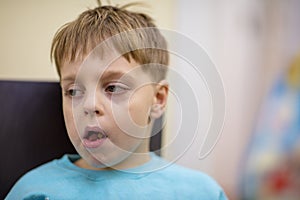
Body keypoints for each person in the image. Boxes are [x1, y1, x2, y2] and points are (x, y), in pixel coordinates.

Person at [6, 2, 227, 199]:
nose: (90, 106)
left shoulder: (200, 192)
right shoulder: (34, 191)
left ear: (158, 99)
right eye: (73, 91)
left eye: (113, 88)